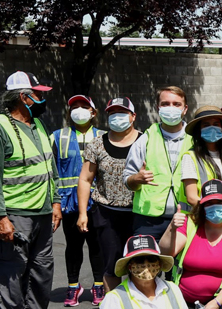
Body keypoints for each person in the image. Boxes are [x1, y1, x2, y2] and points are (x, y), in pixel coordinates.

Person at [0, 71, 61, 309]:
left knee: (41, 276)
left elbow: (50, 167)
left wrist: (55, 202)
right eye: (38, 94)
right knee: (12, 278)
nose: (43, 99)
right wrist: (0, 218)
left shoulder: (38, 124)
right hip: (15, 217)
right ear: (24, 98)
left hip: (43, 216)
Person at [77, 97, 142, 292]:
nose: (117, 118)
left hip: (140, 214)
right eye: (113, 113)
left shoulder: (146, 141)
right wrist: (82, 214)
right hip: (107, 215)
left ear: (133, 117)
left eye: (122, 113)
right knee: (112, 267)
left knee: (140, 265)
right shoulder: (97, 144)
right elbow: (85, 179)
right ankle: (113, 302)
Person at [159, 179, 222, 308]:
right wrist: (171, 228)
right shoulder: (189, 224)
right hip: (185, 297)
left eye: (219, 202)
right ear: (202, 206)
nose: (214, 206)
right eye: (209, 203)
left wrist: (215, 303)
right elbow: (166, 253)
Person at [53, 94, 106, 306]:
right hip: (69, 204)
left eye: (84, 106)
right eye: (75, 107)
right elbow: (52, 171)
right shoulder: (57, 136)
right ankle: (73, 286)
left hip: (98, 203)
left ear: (93, 112)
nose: (79, 110)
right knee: (73, 246)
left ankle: (98, 285)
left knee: (97, 246)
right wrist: (54, 203)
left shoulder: (104, 136)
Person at [124, 86, 193, 240]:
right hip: (148, 220)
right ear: (158, 108)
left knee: (181, 264)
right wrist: (136, 179)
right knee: (146, 264)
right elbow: (127, 181)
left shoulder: (195, 139)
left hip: (187, 218)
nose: (171, 108)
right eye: (165, 104)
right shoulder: (146, 138)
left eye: (176, 104)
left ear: (185, 109)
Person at [176, 105, 222, 210]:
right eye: (206, 125)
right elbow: (191, 197)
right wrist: (214, 210)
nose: (212, 128)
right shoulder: (190, 157)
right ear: (199, 130)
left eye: (216, 124)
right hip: (200, 219)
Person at [100, 235, 187, 309]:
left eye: (151, 259)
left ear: (159, 263)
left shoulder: (173, 289)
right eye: (139, 260)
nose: (146, 264)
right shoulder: (114, 298)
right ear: (129, 266)